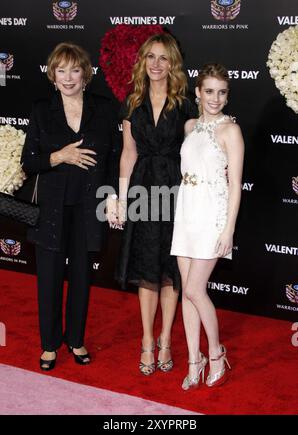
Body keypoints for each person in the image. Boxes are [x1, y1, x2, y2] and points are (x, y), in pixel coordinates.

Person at [21, 42, 118, 371]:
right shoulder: (40, 109)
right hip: (51, 208)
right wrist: (60, 156)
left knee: (80, 277)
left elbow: (114, 159)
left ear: (85, 74)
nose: (67, 77)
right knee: (47, 278)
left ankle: (75, 340)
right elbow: (29, 161)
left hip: (88, 207)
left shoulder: (103, 109)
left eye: (74, 69)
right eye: (60, 70)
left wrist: (114, 196)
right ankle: (50, 345)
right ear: (52, 75)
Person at [109, 33, 198, 376]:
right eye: (150, 57)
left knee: (169, 271)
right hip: (143, 188)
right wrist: (119, 197)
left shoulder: (185, 104)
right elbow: (128, 153)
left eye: (163, 58)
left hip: (176, 189)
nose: (156, 64)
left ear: (173, 63)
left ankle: (165, 339)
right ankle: (146, 340)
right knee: (146, 269)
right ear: (142, 61)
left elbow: (194, 150)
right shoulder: (132, 102)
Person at [171, 63, 244, 389]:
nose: (215, 98)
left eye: (222, 92)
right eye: (209, 91)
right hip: (186, 211)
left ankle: (215, 353)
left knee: (193, 290)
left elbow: (235, 184)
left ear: (227, 96)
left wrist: (227, 230)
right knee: (185, 294)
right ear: (198, 92)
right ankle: (193, 360)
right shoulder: (189, 126)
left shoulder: (231, 131)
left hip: (211, 217)